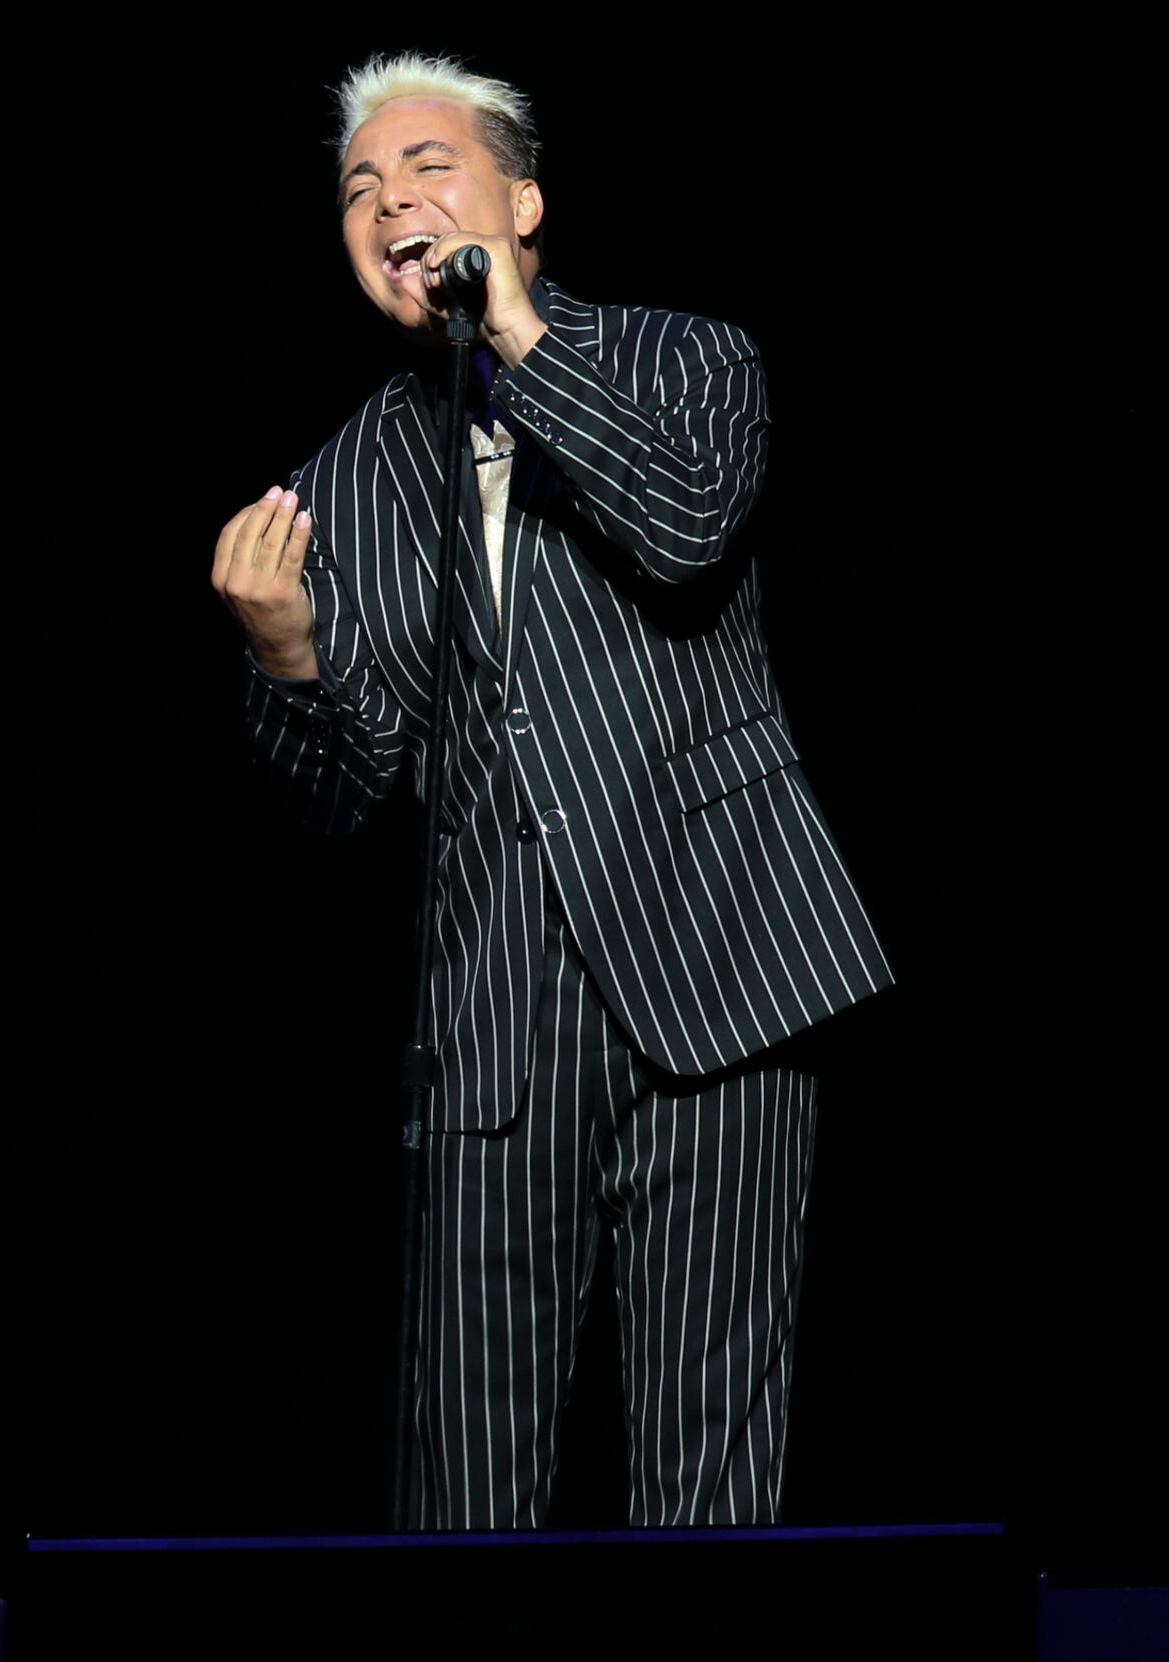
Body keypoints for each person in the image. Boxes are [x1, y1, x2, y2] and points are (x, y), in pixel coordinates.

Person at [208, 52, 890, 1529]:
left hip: (721, 951)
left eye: (430, 168)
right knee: (468, 1466)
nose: (393, 201)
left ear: (520, 202)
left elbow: (688, 527)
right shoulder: (346, 479)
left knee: (713, 1441)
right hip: (494, 1005)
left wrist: (520, 336)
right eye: (361, 188)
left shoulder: (686, 357)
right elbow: (350, 791)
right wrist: (289, 657)